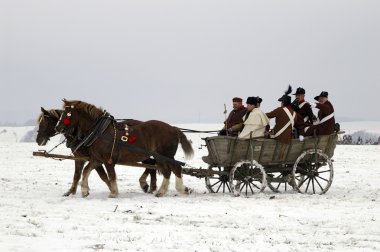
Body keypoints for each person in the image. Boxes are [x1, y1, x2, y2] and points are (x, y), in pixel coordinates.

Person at [266, 86, 304, 160]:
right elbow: (300, 125)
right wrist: (301, 134)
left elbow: (267, 115)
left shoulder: (280, 110)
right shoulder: (295, 113)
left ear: (283, 102)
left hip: (278, 137)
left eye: (281, 102)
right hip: (287, 139)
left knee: (263, 136)